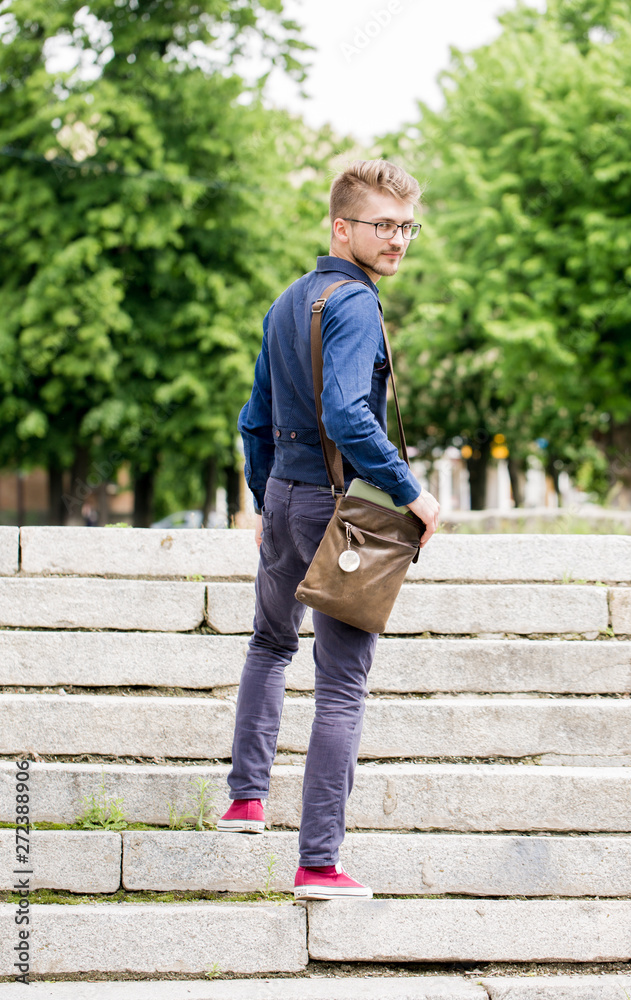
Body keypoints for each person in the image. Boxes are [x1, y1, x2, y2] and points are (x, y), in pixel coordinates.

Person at [218, 159, 440, 900]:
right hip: (335, 508)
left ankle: (246, 799)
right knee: (342, 686)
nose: (398, 239)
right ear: (340, 227)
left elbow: (254, 418)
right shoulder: (352, 305)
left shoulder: (288, 301)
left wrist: (262, 501)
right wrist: (412, 493)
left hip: (284, 498)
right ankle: (317, 863)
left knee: (269, 642)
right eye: (383, 225)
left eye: (407, 225)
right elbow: (348, 413)